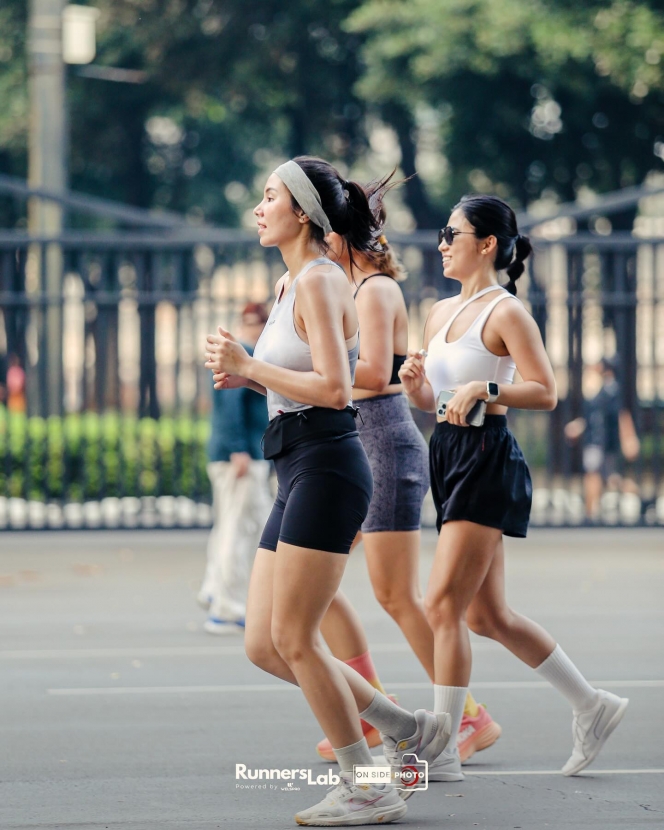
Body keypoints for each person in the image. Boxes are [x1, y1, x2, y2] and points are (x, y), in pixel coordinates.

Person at [205, 156, 451, 826]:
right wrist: (247, 375)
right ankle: (405, 724)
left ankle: (367, 782)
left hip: (329, 462)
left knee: (296, 635)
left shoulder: (318, 280)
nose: (259, 208)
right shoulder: (289, 286)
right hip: (296, 463)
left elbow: (340, 392)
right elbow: (295, 380)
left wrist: (250, 364)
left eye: (269, 196)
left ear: (305, 212)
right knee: (263, 642)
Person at [399, 194, 628, 777]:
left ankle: (444, 747)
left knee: (442, 604)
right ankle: (592, 705)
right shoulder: (437, 311)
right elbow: (434, 404)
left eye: (453, 234)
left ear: (487, 244)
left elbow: (545, 391)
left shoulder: (506, 312)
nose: (443, 244)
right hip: (447, 453)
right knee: (487, 616)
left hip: (486, 456)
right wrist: (417, 386)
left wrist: (488, 390)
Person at [315, 176, 501, 781]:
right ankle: (371, 708)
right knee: (313, 588)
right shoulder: (355, 287)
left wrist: (295, 371)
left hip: (383, 444)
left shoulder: (373, 291)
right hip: (359, 442)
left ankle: (467, 716)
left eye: (325, 237)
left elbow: (370, 375)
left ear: (342, 239)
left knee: (396, 595)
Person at [197, 302, 273, 635]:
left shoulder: (241, 351)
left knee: (231, 524)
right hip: (242, 456)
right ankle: (225, 607)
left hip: (233, 454)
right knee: (238, 529)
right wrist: (239, 449)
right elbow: (230, 402)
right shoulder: (248, 353)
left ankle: (214, 589)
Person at [564, 356, 640, 521]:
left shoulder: (611, 390)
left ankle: (590, 514)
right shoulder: (601, 390)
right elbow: (592, 417)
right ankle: (593, 510)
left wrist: (628, 437)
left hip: (600, 442)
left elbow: (621, 415)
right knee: (606, 477)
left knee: (595, 475)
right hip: (600, 442)